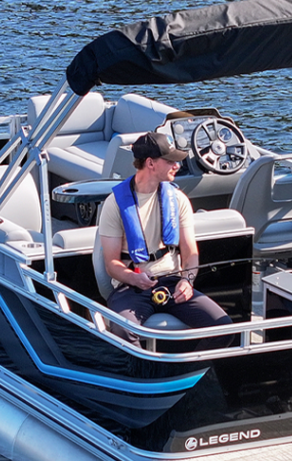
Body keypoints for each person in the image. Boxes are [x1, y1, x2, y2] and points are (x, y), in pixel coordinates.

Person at [97, 131, 233, 347]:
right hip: (131, 287)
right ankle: (143, 369)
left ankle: (191, 366)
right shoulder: (114, 204)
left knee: (224, 328)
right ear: (150, 163)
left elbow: (190, 253)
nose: (177, 166)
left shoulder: (178, 200)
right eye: (170, 161)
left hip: (172, 282)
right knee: (123, 332)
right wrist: (134, 279)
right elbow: (112, 264)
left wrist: (187, 281)